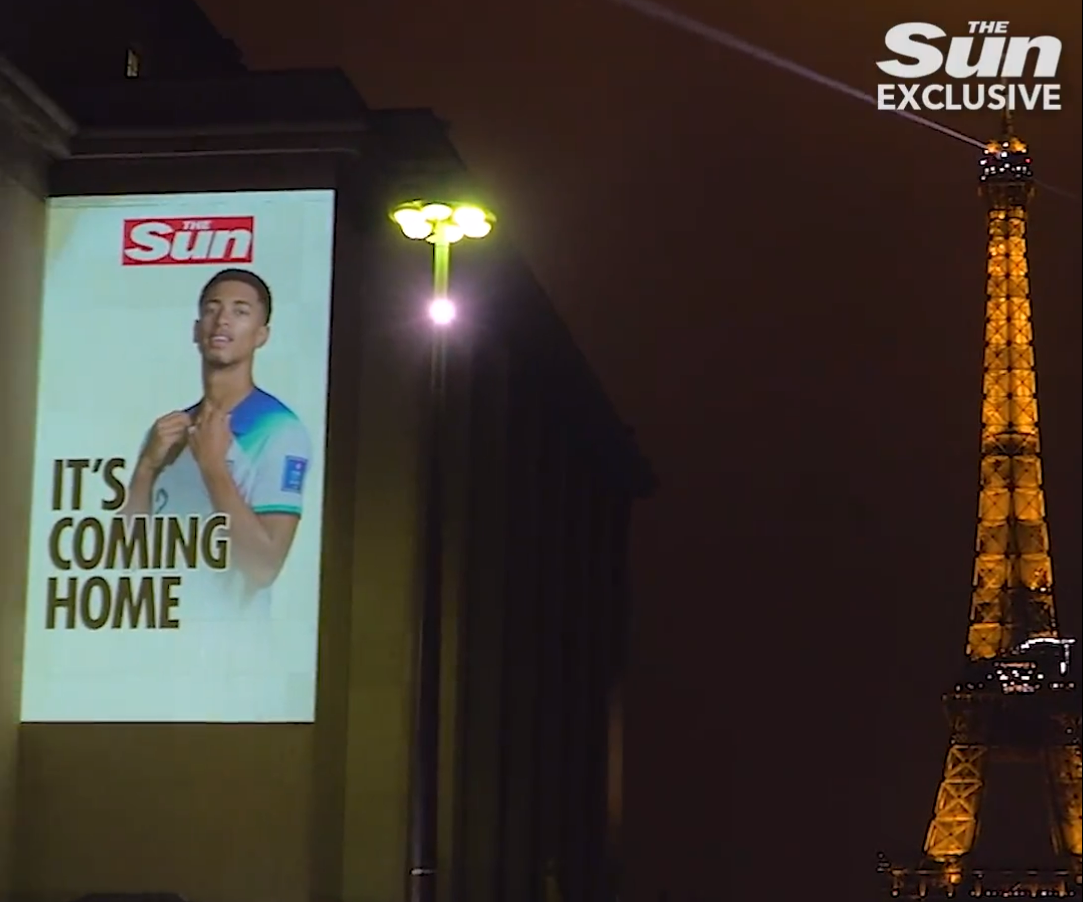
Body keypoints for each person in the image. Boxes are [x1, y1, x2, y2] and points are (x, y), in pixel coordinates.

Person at [123, 268, 312, 612]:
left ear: (261, 335)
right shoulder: (169, 432)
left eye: (240, 311)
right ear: (197, 330)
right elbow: (127, 558)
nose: (222, 320)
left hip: (233, 652)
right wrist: (146, 468)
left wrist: (213, 468)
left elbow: (263, 568)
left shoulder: (280, 430)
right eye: (212, 309)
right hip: (157, 644)